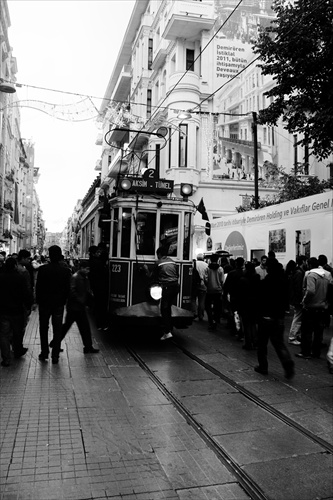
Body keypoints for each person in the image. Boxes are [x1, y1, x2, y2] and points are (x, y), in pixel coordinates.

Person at [51, 261, 99, 363]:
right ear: (81, 268)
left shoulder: (83, 277)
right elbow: (72, 291)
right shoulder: (75, 277)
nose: (87, 271)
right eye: (86, 268)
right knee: (71, 326)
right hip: (74, 307)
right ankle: (56, 343)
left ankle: (87, 346)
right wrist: (81, 300)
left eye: (88, 269)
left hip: (78, 307)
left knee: (81, 327)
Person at [255, 258, 295, 379]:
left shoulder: (266, 282)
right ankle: (287, 362)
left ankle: (263, 366)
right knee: (279, 343)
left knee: (262, 343)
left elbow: (261, 299)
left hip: (266, 317)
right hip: (279, 317)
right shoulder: (284, 281)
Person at [36, 245, 72, 361]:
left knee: (43, 328)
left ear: (49, 256)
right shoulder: (66, 271)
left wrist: (38, 301)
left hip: (45, 304)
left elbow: (39, 287)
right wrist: (64, 300)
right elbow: (68, 289)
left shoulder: (42, 269)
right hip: (58, 304)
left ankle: (44, 352)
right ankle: (55, 354)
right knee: (57, 329)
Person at [296, 257, 332, 360]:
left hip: (311, 307)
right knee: (318, 332)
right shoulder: (326, 275)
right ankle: (316, 353)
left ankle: (306, 352)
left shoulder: (311, 275)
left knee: (307, 331)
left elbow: (310, 291)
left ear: (310, 265)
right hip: (322, 307)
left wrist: (304, 301)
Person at [0, 258, 32, 366]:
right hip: (17, 310)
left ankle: (6, 358)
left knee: (4, 335)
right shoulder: (20, 278)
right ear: (14, 266)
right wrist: (28, 306)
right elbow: (26, 293)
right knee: (17, 332)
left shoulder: (1, 277)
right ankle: (17, 351)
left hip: (3, 311)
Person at [144, 246, 179, 340]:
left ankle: (167, 332)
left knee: (164, 308)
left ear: (159, 254)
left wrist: (146, 268)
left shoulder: (159, 263)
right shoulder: (172, 261)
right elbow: (177, 275)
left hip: (167, 287)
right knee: (168, 308)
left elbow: (150, 276)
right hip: (176, 287)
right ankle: (169, 328)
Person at [238, 261, 260, 350]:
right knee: (253, 324)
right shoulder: (257, 278)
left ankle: (248, 343)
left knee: (246, 324)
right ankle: (255, 341)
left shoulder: (243, 279)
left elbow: (240, 294)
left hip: (245, 304)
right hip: (255, 304)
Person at [288, 255, 308, 345]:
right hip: (298, 299)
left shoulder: (296, 272)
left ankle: (295, 335)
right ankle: (292, 337)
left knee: (298, 317)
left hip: (296, 299)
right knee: (297, 317)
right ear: (303, 261)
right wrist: (301, 299)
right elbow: (299, 288)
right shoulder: (300, 273)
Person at [88, 244, 109, 331]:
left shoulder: (91, 261)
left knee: (98, 305)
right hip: (100, 287)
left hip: (95, 287)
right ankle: (102, 324)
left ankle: (99, 324)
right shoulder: (98, 263)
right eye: (97, 252)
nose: (99, 253)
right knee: (101, 306)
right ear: (94, 253)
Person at [223, 257, 244, 336]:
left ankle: (237, 329)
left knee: (235, 313)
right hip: (244, 297)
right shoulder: (244, 272)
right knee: (242, 314)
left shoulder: (231, 273)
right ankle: (242, 330)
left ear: (236, 263)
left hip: (234, 296)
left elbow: (226, 286)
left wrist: (225, 295)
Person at [205, 254, 224, 331]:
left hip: (209, 290)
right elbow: (222, 280)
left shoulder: (207, 268)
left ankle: (210, 320)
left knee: (208, 306)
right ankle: (215, 320)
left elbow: (205, 279)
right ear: (217, 260)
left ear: (210, 260)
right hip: (218, 291)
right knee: (217, 307)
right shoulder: (220, 269)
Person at [191, 253, 208, 321]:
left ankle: (194, 313)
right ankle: (201, 315)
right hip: (203, 284)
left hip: (194, 284)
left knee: (193, 299)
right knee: (202, 301)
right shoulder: (206, 265)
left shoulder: (193, 264)